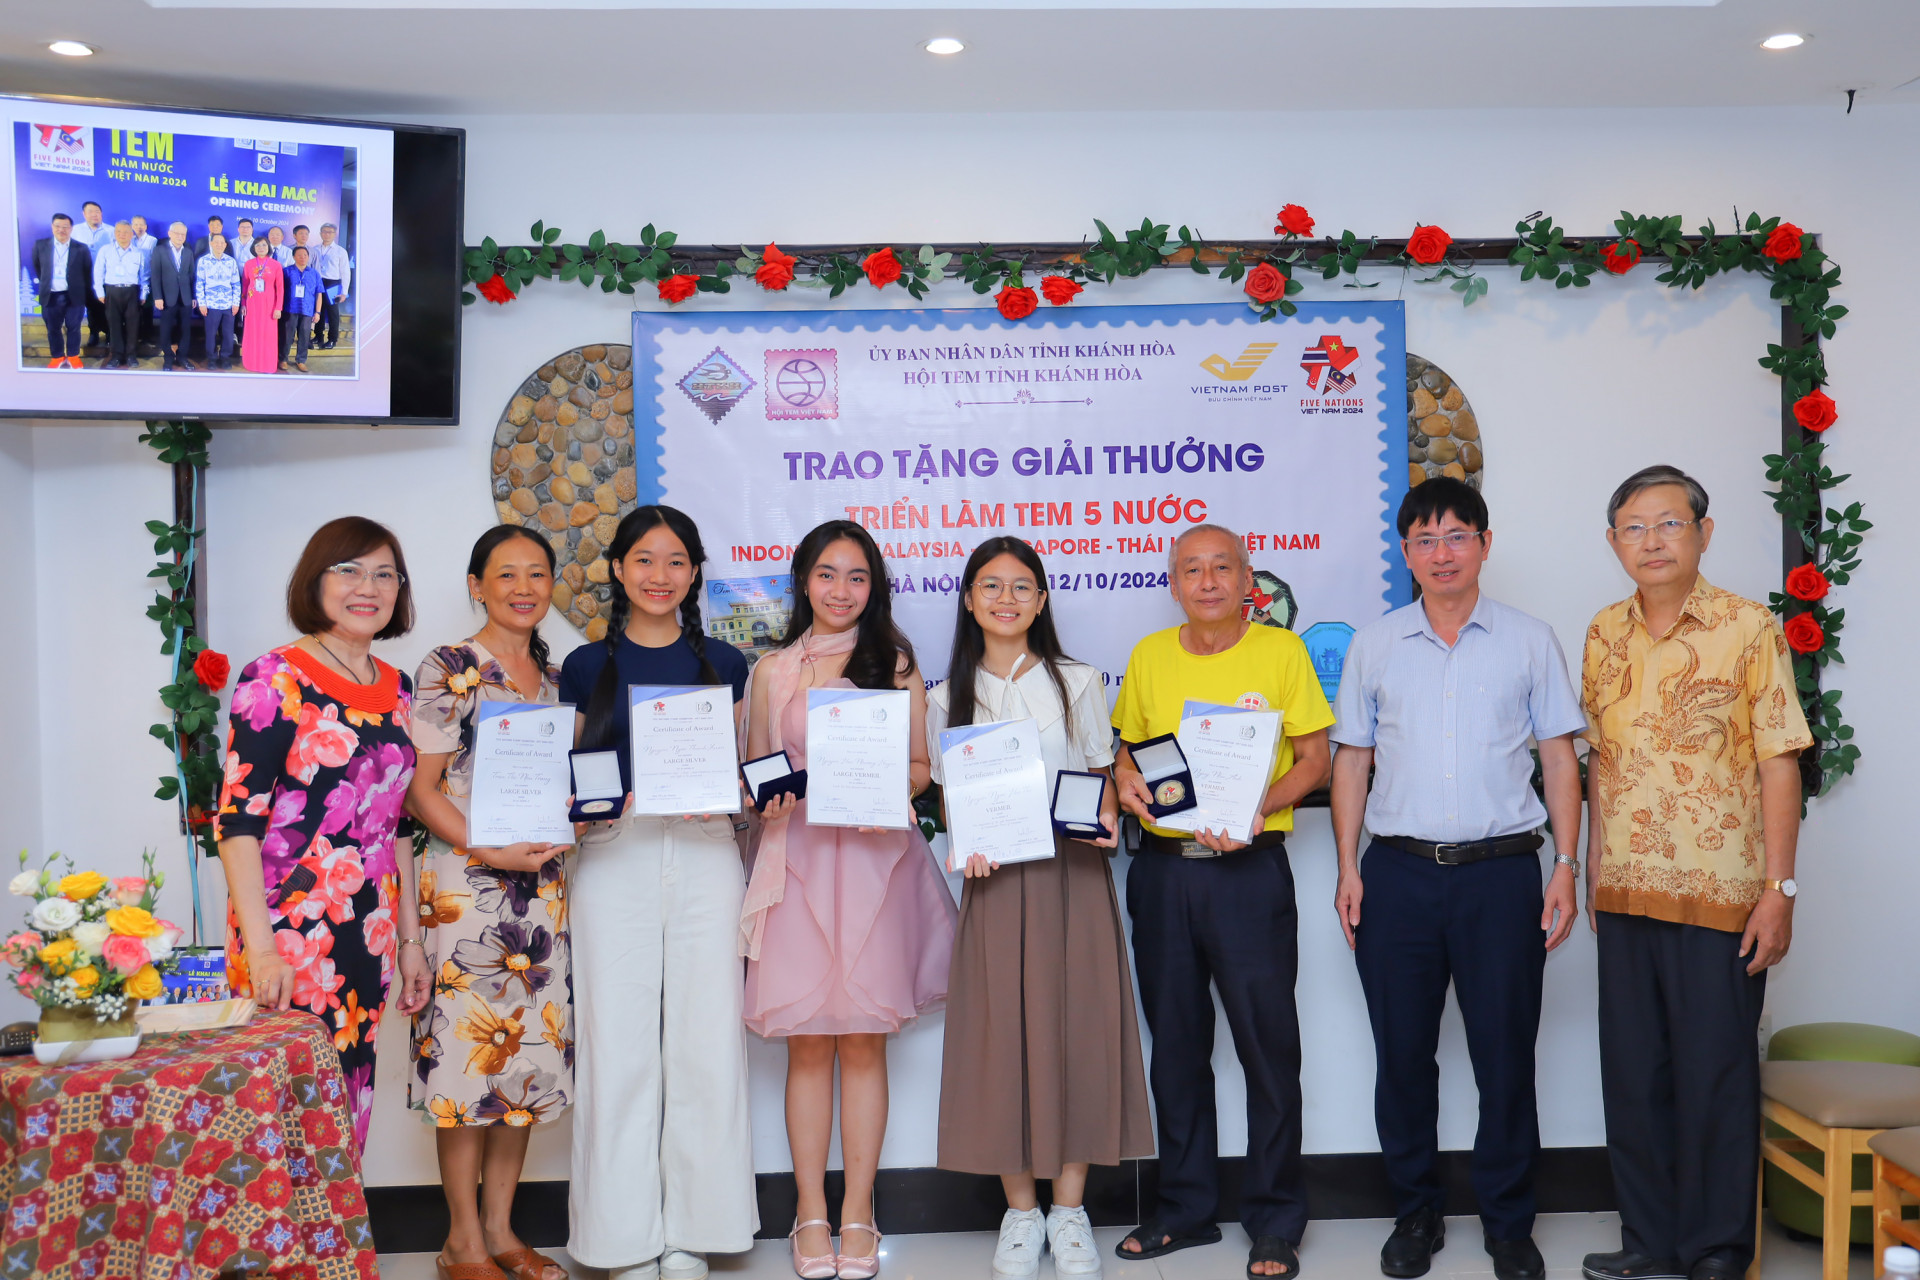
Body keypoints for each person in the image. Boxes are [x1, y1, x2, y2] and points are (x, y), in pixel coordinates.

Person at [1328, 479, 1587, 1280]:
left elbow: (1558, 759)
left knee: (1505, 1055)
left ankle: (1511, 1223)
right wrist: (1347, 868)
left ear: (1483, 542)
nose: (1441, 554)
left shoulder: (1529, 639)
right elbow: (1353, 760)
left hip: (1502, 875)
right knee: (1402, 1056)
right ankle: (1416, 1214)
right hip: (1396, 876)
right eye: (1424, 540)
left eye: (1455, 537)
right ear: (1405, 553)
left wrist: (1567, 866)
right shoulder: (1376, 644)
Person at [1578, 466, 1810, 1280]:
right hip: (1625, 891)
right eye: (1634, 528)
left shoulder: (1750, 628)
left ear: (1704, 533)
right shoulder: (1604, 632)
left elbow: (1781, 763)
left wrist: (1778, 892)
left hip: (1723, 892)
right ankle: (1647, 1241)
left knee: (1714, 1074)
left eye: (1668, 524)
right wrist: (1592, 872)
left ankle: (1715, 1248)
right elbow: (1600, 763)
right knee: (1635, 1075)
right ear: (1614, 543)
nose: (1651, 541)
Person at [1109, 522, 1334, 1280]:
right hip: (1165, 875)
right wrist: (1123, 779)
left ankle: (1274, 1218)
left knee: (1268, 1050)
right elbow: (1127, 751)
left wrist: (1256, 806)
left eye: (1221, 568)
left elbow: (1314, 758)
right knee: (1176, 1048)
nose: (1206, 581)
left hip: (1249, 874)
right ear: (1173, 583)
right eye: (1190, 570)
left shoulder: (1282, 652)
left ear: (1249, 582)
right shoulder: (1149, 657)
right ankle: (1186, 1208)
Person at [928, 536, 1152, 1280]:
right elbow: (947, 801)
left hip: (1072, 876)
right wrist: (967, 843)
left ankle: (1070, 1210)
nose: (1005, 599)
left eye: (1021, 586)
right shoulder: (942, 697)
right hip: (994, 884)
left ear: (1042, 599)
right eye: (990, 586)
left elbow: (1100, 775)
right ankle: (1020, 1213)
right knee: (1003, 1038)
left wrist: (1110, 810)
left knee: (1076, 1030)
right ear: (968, 600)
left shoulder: (1078, 681)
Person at [741, 519, 956, 1280]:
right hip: (797, 861)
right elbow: (756, 770)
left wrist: (877, 781)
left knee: (865, 1039)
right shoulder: (771, 670)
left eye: (857, 577)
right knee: (807, 1041)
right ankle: (808, 1213)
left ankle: (860, 1212)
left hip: (875, 861)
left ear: (875, 586)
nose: (841, 590)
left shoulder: (893, 662)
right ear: (803, 581)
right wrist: (766, 798)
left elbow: (923, 769)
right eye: (828, 574)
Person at [560, 505, 759, 1280]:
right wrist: (597, 804)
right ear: (617, 569)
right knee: (620, 1042)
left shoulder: (728, 664)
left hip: (709, 853)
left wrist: (739, 795)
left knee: (707, 1041)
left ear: (695, 572)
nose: (659, 576)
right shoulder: (583, 667)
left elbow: (744, 774)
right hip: (615, 858)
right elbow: (571, 783)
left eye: (676, 561)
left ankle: (694, 1232)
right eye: (644, 560)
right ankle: (619, 1238)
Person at [213, 517, 432, 1151]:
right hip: (287, 934)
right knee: (276, 1112)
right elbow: (238, 822)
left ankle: (333, 1249)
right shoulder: (274, 677)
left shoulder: (397, 689)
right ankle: (272, 1251)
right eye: (350, 569)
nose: (369, 586)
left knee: (346, 1101)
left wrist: (411, 941)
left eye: (385, 574)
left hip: (368, 931)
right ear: (316, 581)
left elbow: (397, 827)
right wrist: (261, 949)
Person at [406, 526, 574, 1280]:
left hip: (541, 898)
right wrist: (489, 850)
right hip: (468, 895)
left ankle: (504, 1233)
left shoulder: (559, 676)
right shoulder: (448, 668)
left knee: (521, 1069)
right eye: (506, 575)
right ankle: (462, 1242)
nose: (523, 588)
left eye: (536, 574)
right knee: (468, 1068)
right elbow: (421, 789)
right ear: (477, 585)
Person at [31, 213, 91, 369]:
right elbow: (38, 268)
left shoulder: (81, 248)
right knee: (53, 328)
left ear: (71, 228)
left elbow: (87, 271)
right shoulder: (41, 245)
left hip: (74, 296)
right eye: (57, 226)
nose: (61, 230)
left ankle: (72, 356)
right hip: (50, 295)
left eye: (65, 227)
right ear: (52, 227)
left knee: (74, 327)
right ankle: (57, 356)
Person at [91, 220, 148, 370]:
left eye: (126, 232)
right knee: (114, 325)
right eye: (119, 232)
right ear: (115, 234)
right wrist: (100, 292)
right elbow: (98, 272)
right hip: (112, 291)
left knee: (132, 325)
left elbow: (144, 276)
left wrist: (143, 294)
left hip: (132, 291)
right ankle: (115, 356)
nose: (122, 235)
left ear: (131, 234)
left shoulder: (138, 253)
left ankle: (131, 355)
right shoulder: (105, 250)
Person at [149, 221, 198, 372]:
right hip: (166, 298)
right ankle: (168, 359)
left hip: (186, 298)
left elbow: (192, 276)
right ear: (169, 233)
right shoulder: (159, 250)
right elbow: (155, 275)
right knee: (165, 330)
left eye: (183, 234)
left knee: (185, 330)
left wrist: (194, 296)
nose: (180, 236)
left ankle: (182, 358)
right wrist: (157, 296)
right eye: (177, 233)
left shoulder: (188, 252)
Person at [196, 233, 242, 370]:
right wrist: (202, 303)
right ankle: (211, 358)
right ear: (211, 243)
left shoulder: (231, 261)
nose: (219, 245)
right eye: (216, 242)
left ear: (225, 245)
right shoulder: (203, 261)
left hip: (228, 304)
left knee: (228, 334)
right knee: (210, 334)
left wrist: (236, 303)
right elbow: (200, 283)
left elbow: (236, 284)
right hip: (211, 304)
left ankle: (225, 357)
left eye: (222, 243)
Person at [240, 237, 284, 374]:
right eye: (257, 245)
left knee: (268, 335)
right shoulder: (248, 264)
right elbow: (245, 285)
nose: (261, 247)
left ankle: (267, 363)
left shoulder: (276, 265)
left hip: (269, 305)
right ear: (253, 248)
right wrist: (243, 304)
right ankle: (251, 362)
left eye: (264, 245)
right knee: (252, 333)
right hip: (252, 305)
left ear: (268, 247)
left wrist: (278, 307)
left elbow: (280, 288)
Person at [73, 200, 113, 349]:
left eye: (97, 211)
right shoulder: (76, 231)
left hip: (106, 277)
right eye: (90, 211)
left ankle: (109, 333)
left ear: (101, 214)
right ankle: (93, 333)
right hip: (85, 277)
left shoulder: (111, 231)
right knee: (91, 306)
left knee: (108, 307)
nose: (94, 215)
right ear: (84, 214)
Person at [283, 244, 322, 372]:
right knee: (287, 335)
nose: (302, 257)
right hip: (289, 308)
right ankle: (283, 359)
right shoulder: (287, 271)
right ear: (294, 257)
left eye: (305, 255)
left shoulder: (314, 273)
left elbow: (319, 293)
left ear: (308, 257)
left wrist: (318, 312)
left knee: (305, 336)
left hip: (307, 310)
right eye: (299, 255)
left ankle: (301, 360)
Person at [315, 221, 351, 349]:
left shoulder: (341, 251)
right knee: (319, 309)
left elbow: (345, 272)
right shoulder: (315, 249)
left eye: (329, 232)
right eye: (324, 231)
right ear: (320, 233)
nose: (326, 234)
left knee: (332, 313)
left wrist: (344, 292)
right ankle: (318, 336)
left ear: (334, 234)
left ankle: (332, 339)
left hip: (333, 283)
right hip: (318, 281)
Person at [129, 215, 158, 348]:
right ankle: (135, 336)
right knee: (133, 310)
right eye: (135, 224)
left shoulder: (153, 241)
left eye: (141, 225)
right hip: (132, 280)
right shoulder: (129, 240)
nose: (138, 227)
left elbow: (154, 261)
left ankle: (147, 337)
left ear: (146, 227)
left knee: (147, 310)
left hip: (148, 279)